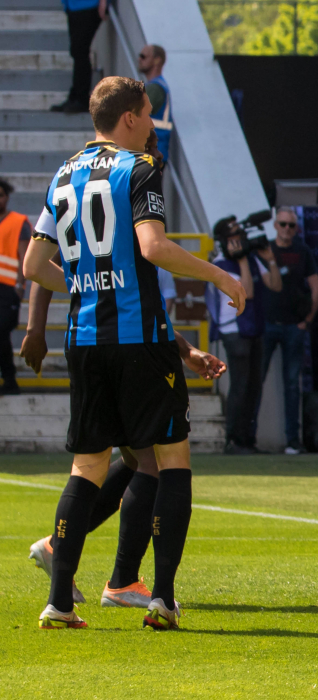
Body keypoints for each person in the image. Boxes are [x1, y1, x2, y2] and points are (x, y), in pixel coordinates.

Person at [25, 76, 246, 630]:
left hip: (84, 341)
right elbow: (152, 247)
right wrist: (220, 274)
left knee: (88, 466)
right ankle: (162, 598)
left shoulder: (63, 173)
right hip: (140, 343)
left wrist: (85, 288)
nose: (152, 124)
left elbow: (32, 267)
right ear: (128, 118)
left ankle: (59, 602)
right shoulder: (140, 167)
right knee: (171, 460)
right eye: (148, 114)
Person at [257, 207, 318, 455]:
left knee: (292, 384)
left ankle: (293, 440)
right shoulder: (265, 250)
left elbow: (316, 287)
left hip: (294, 325)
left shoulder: (302, 251)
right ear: (275, 225)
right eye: (282, 224)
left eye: (291, 225)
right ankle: (246, 437)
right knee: (256, 380)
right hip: (268, 324)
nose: (286, 229)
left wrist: (307, 320)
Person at [208, 219, 266, 453]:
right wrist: (242, 259)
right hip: (234, 331)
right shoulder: (220, 264)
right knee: (240, 386)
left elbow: (275, 283)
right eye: (233, 237)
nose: (238, 241)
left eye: (240, 235)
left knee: (254, 386)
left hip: (253, 329)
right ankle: (233, 439)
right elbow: (247, 293)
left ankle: (247, 438)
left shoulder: (252, 260)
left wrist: (267, 256)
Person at [0, 177, 30, 394]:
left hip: (8, 289)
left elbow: (23, 255)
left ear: (7, 197)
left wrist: (20, 286)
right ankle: (9, 380)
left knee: (1, 334)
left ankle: (10, 380)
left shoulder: (18, 222)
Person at [53, 0, 106, 114]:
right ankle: (75, 96)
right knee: (77, 51)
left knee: (80, 50)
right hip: (73, 6)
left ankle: (82, 98)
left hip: (89, 6)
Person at [138, 45, 172, 162]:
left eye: (143, 56)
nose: (139, 59)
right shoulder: (154, 86)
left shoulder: (156, 88)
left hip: (151, 154)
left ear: (157, 60)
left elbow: (136, 112)